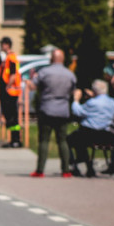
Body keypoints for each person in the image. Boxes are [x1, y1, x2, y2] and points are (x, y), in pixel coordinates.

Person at [30, 48, 76, 177]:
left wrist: (32, 79)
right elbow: (73, 91)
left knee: (44, 140)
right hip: (63, 110)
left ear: (52, 58)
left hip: (47, 109)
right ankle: (66, 170)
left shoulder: (45, 72)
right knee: (62, 140)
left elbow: (33, 86)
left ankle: (40, 170)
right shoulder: (69, 74)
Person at [67, 79, 114, 178]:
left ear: (94, 90)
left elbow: (78, 111)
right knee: (80, 138)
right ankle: (85, 162)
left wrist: (76, 100)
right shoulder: (113, 102)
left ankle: (79, 164)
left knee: (69, 139)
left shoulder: (92, 103)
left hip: (90, 134)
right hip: (107, 135)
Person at [0, 36, 23, 148]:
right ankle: (13, 139)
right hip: (7, 92)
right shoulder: (7, 57)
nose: (1, 46)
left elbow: (13, 74)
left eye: (2, 44)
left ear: (7, 45)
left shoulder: (11, 57)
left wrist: (7, 86)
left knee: (12, 116)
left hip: (10, 92)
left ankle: (16, 140)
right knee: (9, 116)